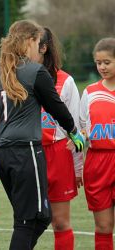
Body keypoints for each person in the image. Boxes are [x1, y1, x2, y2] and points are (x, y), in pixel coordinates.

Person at [0, 20, 85, 250]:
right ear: (29, 41)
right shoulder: (36, 71)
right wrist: (74, 132)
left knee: (41, 216)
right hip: (27, 154)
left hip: (3, 155)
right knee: (27, 221)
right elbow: (57, 108)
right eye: (37, 42)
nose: (39, 47)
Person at [37, 27, 84, 250]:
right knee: (27, 222)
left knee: (60, 223)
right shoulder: (17, 77)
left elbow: (74, 128)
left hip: (57, 154)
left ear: (44, 47)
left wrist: (77, 167)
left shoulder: (65, 81)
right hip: (29, 152)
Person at [80, 37, 115, 250]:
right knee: (103, 227)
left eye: (107, 62)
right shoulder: (90, 92)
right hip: (97, 163)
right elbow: (83, 129)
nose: (102, 67)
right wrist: (79, 138)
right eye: (98, 62)